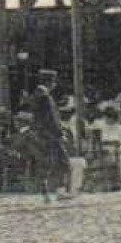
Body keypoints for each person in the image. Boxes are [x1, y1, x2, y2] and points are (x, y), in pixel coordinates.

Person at [28, 71, 70, 202]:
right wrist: (60, 133)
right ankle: (60, 191)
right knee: (63, 162)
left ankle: (45, 192)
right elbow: (51, 118)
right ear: (50, 82)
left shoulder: (36, 95)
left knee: (46, 163)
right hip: (50, 134)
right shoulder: (45, 96)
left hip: (39, 134)